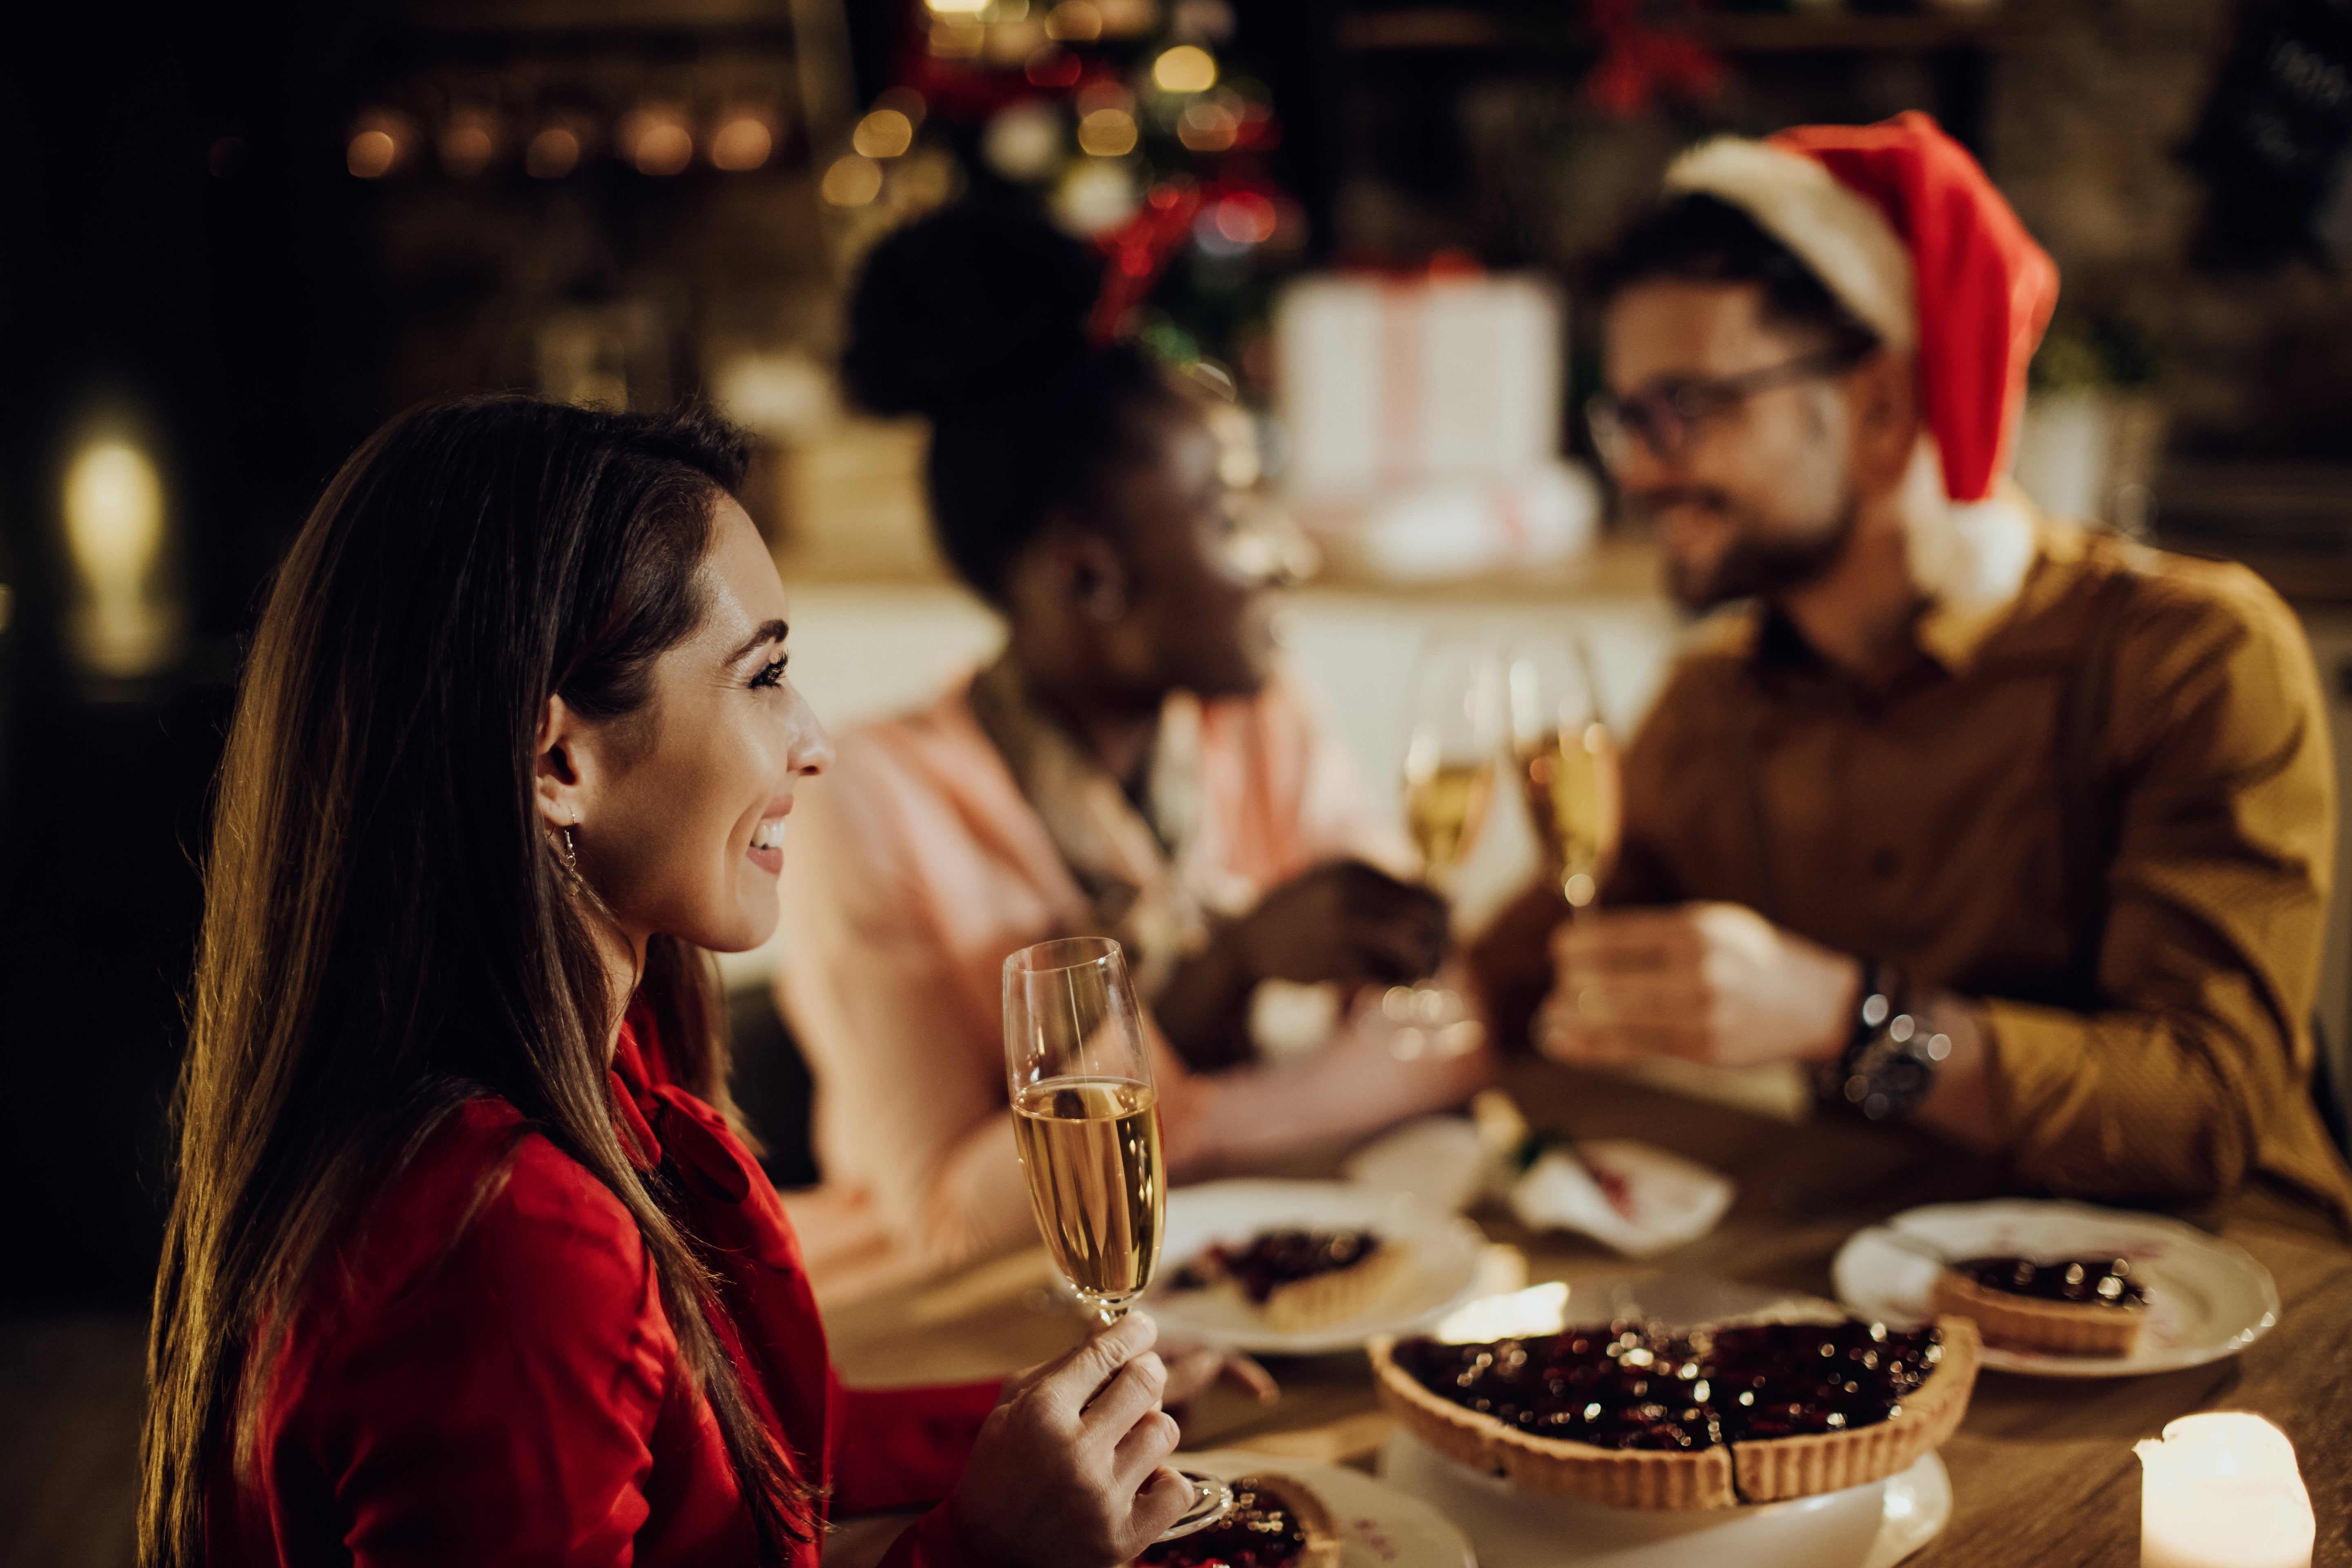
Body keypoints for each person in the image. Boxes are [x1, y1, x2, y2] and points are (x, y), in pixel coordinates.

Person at [140, 396, 1225, 1567]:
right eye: (764, 676)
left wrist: (1059, 1432)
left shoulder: (600, 1067)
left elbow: (734, 1444)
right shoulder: (507, 1243)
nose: (816, 740)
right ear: (557, 760)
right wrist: (986, 1553)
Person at [1477, 113, 2352, 1226]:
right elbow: (1514, 978)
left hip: (2241, 1305)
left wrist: (1849, 1020)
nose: (1643, 469)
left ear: (1881, 405)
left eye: (1686, 408)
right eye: (1624, 420)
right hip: (1894, 1291)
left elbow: (2205, 1112)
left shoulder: (2192, 658)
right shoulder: (1713, 704)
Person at [774, 206, 1492, 1292]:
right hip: (968, 1347)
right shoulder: (867, 799)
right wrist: (1221, 980)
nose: (1284, 557)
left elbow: (1451, 1040)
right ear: (1084, 575)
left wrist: (1132, 1108)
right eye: (1231, 511)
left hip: (1241, 1303)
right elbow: (948, 1224)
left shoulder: (1260, 722)